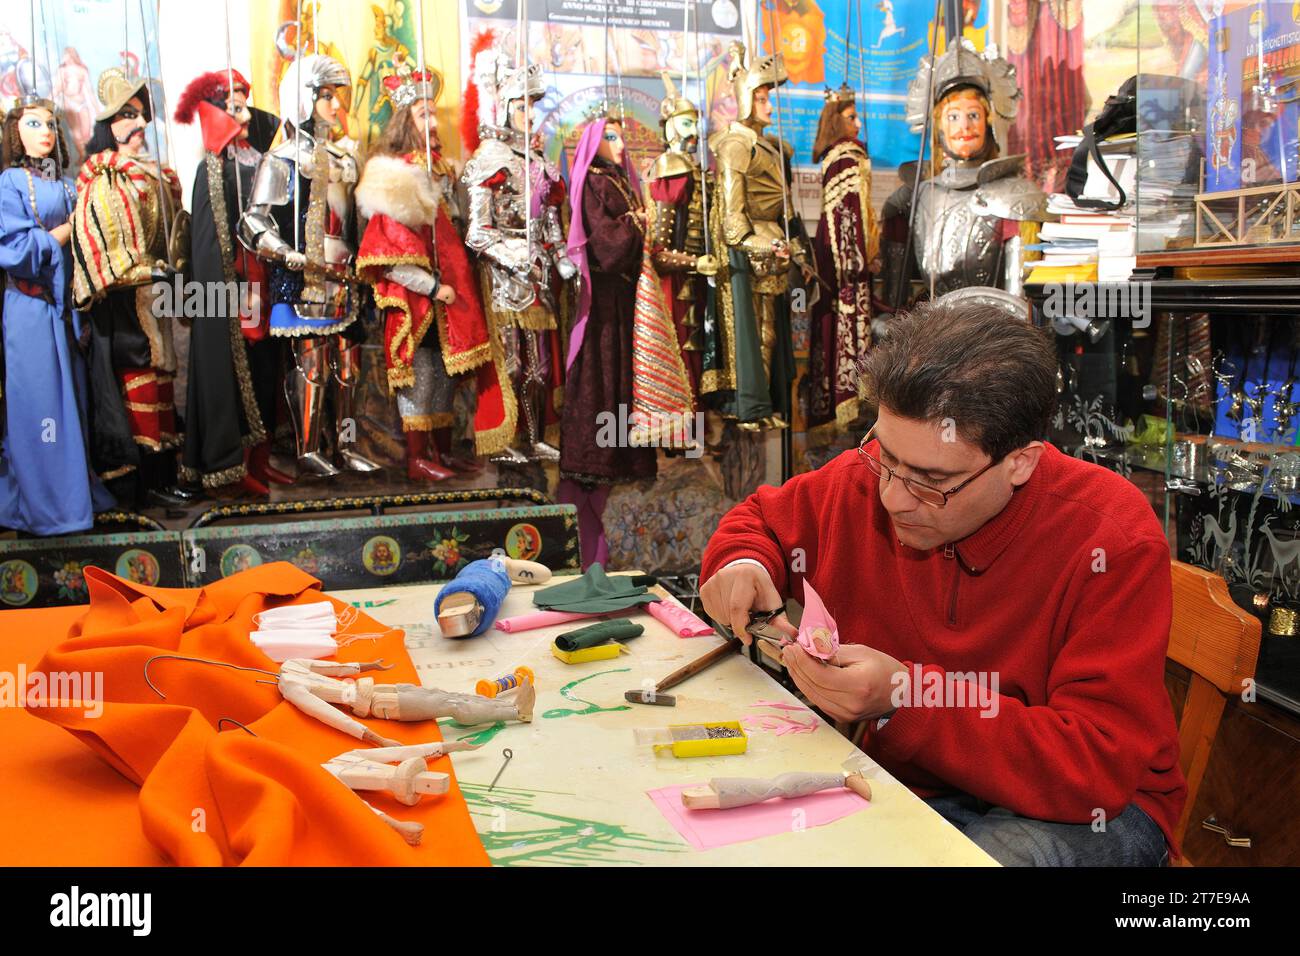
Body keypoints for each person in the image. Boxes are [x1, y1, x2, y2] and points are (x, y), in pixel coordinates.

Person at [699, 299, 1185, 866]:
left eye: (932, 481)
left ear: (1021, 462)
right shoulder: (880, 473)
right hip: (909, 780)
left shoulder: (1111, 537)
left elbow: (1092, 769)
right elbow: (760, 520)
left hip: (1088, 807)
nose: (891, 497)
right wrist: (742, 563)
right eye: (885, 456)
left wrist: (907, 698)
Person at [239, 54, 379, 478]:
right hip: (304, 280)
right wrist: (286, 254)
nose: (336, 106)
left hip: (345, 277)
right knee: (311, 368)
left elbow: (357, 221)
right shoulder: (281, 159)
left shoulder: (346, 159)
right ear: (302, 99)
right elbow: (252, 222)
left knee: (350, 369)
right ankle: (308, 449)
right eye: (324, 96)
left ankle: (347, 445)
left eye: (337, 96)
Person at [356, 66, 491, 481]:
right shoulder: (392, 175)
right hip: (418, 295)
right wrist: (431, 285)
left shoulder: (444, 171)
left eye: (434, 114)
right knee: (420, 376)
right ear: (405, 122)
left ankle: (442, 451)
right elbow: (390, 251)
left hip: (449, 293)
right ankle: (417, 458)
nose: (432, 123)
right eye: (422, 115)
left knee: (444, 376)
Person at [71, 67, 190, 509]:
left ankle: (162, 476)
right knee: (137, 391)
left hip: (153, 301)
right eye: (126, 115)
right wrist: (149, 274)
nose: (139, 124)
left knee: (160, 388)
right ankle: (138, 486)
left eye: (140, 114)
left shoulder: (155, 178)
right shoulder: (105, 179)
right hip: (122, 308)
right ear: (108, 127)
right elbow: (104, 254)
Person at [0, 96, 114, 533]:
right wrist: (64, 232)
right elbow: (16, 250)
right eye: (34, 124)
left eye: (50, 124)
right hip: (29, 309)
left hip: (64, 312)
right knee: (40, 407)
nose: (45, 131)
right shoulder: (11, 184)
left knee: (71, 404)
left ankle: (73, 495)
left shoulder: (68, 186)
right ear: (17, 133)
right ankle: (43, 503)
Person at [173, 68, 286, 494]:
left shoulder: (256, 158)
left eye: (244, 95)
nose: (241, 104)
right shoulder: (213, 167)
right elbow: (208, 238)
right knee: (231, 372)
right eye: (231, 98)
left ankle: (261, 458)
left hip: (262, 279)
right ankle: (231, 466)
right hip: (231, 286)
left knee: (263, 370)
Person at [558, 115, 653, 568]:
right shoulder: (595, 183)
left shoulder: (621, 181)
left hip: (627, 301)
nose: (619, 144)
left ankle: (619, 457)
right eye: (609, 136)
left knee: (622, 385)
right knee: (601, 379)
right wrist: (638, 222)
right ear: (594, 144)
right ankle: (595, 463)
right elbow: (607, 245)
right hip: (603, 304)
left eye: (621, 135)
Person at [808, 84, 876, 430]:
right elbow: (847, 217)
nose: (859, 124)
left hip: (833, 257)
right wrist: (856, 264)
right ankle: (848, 399)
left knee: (831, 324)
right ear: (837, 121)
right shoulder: (846, 157)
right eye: (851, 117)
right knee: (846, 320)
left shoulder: (835, 157)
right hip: (848, 264)